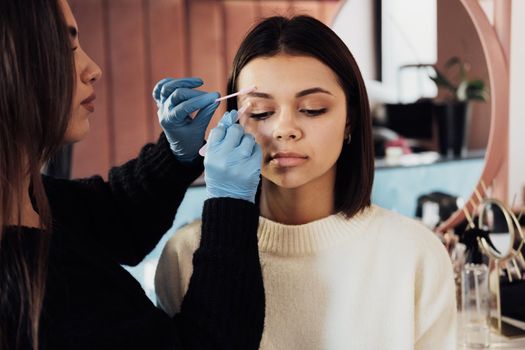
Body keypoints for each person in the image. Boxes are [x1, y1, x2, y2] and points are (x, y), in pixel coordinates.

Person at [155, 15, 457, 349]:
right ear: (235, 120)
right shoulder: (185, 256)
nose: (285, 129)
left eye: (312, 109)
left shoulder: (415, 255)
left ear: (350, 121)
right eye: (260, 113)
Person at [0, 0, 264, 349]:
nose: (92, 69)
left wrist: (173, 156)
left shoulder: (27, 197)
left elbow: (113, 218)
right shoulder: (32, 293)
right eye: (67, 48)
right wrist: (230, 205)